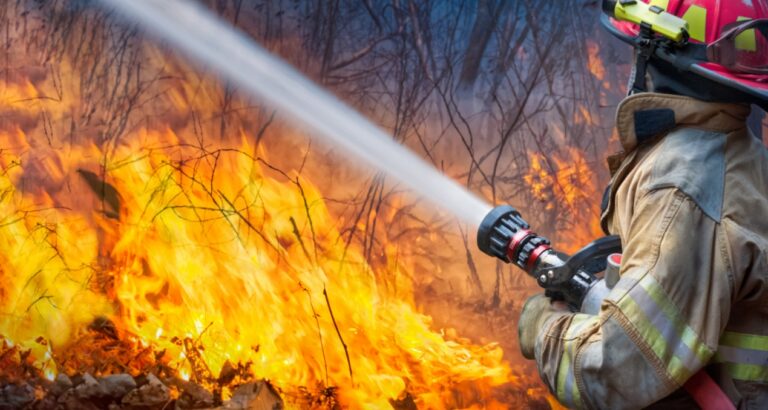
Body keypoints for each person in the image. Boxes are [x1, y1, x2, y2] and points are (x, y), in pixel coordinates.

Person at [517, 1, 768, 408]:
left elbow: (619, 368)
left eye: (636, 50)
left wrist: (545, 329)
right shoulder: (738, 153)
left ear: (657, 53)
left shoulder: (681, 187)